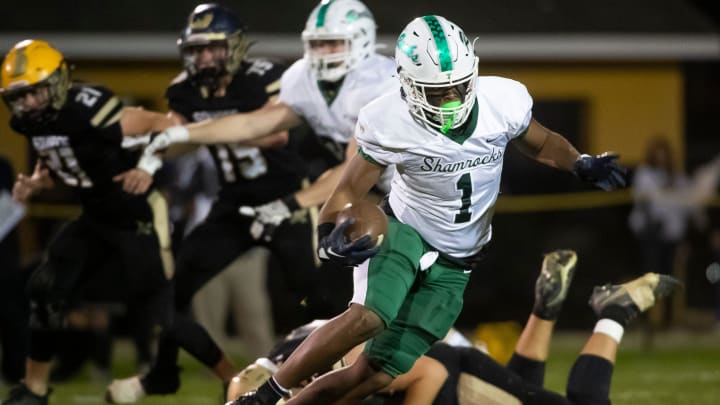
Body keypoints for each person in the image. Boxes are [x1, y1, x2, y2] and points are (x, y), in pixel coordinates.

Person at [228, 15, 627, 405]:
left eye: (458, 87)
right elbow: (348, 187)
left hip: (459, 257)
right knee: (370, 316)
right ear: (406, 84)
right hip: (406, 229)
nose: (451, 99)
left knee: (373, 376)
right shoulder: (390, 119)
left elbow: (541, 142)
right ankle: (264, 394)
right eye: (438, 92)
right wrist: (327, 235)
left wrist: (578, 162)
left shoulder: (502, 101)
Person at [104, 3, 324, 402]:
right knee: (172, 294)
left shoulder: (265, 76)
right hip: (232, 204)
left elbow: (275, 136)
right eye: (197, 49)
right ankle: (166, 373)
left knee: (317, 296)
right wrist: (150, 154)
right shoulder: (184, 90)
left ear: (235, 46)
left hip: (288, 200)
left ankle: (332, 377)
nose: (204, 57)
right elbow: (178, 141)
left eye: (213, 48)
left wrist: (201, 130)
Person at [226, 250, 681, 405]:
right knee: (522, 390)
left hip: (453, 377)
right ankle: (545, 310)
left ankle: (613, 312)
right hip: (437, 355)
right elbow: (241, 385)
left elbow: (428, 374)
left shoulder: (326, 371)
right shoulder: (283, 367)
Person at [0, 39, 178, 405]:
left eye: (35, 93)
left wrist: (147, 166)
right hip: (96, 215)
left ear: (59, 82)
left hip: (137, 211)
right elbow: (60, 157)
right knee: (45, 288)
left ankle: (231, 379)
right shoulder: (32, 121)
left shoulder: (90, 108)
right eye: (20, 97)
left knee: (164, 305)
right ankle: (33, 389)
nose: (28, 104)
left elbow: (168, 125)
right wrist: (38, 180)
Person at [138, 0, 398, 229]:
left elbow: (353, 170)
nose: (323, 52)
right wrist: (180, 132)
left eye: (333, 43)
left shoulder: (379, 83)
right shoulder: (302, 76)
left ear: (361, 39)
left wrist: (291, 203)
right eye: (317, 44)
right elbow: (253, 123)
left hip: (414, 190)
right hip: (380, 190)